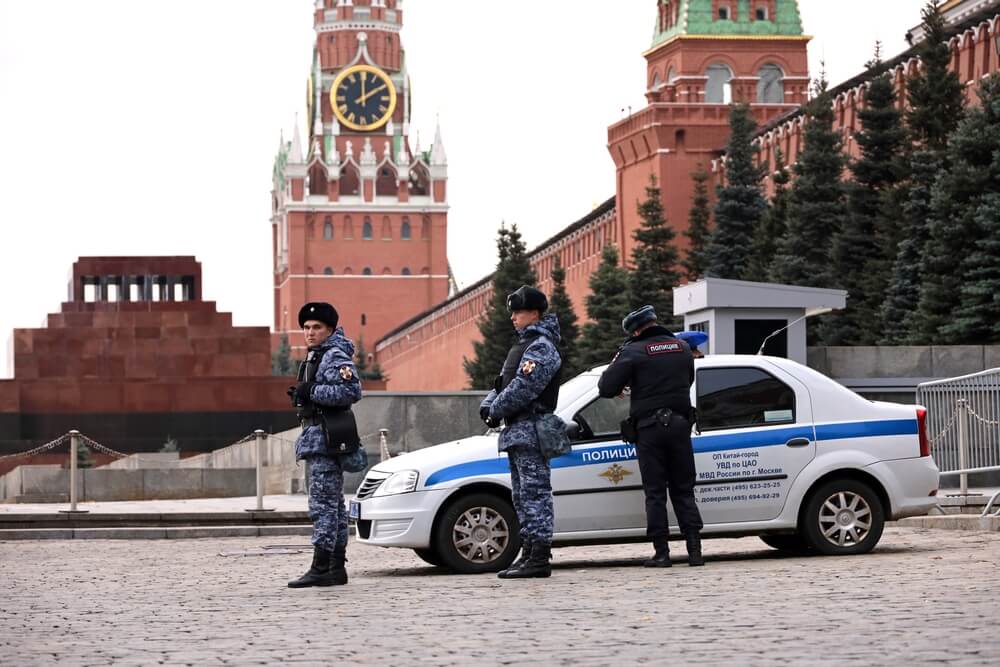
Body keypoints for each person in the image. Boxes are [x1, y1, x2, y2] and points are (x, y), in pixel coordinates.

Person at [597, 305, 704, 567]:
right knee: (684, 490)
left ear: (635, 330)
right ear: (654, 322)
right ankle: (695, 552)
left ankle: (662, 553)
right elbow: (687, 380)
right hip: (680, 426)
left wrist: (628, 376)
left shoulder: (633, 351)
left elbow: (606, 387)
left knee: (655, 492)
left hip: (650, 430)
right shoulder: (682, 348)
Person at [480, 285, 562, 579]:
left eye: (519, 312)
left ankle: (539, 557)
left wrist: (495, 409)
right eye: (512, 312)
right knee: (522, 497)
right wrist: (488, 405)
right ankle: (528, 553)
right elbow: (504, 382)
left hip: (532, 429)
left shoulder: (541, 347)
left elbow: (524, 387)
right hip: (518, 430)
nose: (513, 317)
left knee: (534, 495)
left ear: (535, 314)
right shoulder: (525, 345)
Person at [286, 302, 363, 588]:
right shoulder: (318, 355)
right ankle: (335, 568)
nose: (310, 332)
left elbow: (351, 391)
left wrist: (312, 391)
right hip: (319, 438)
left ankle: (322, 568)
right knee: (334, 505)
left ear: (329, 329)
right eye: (306, 327)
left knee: (323, 506)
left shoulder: (333, 355)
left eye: (316, 327)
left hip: (326, 440)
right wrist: (304, 395)